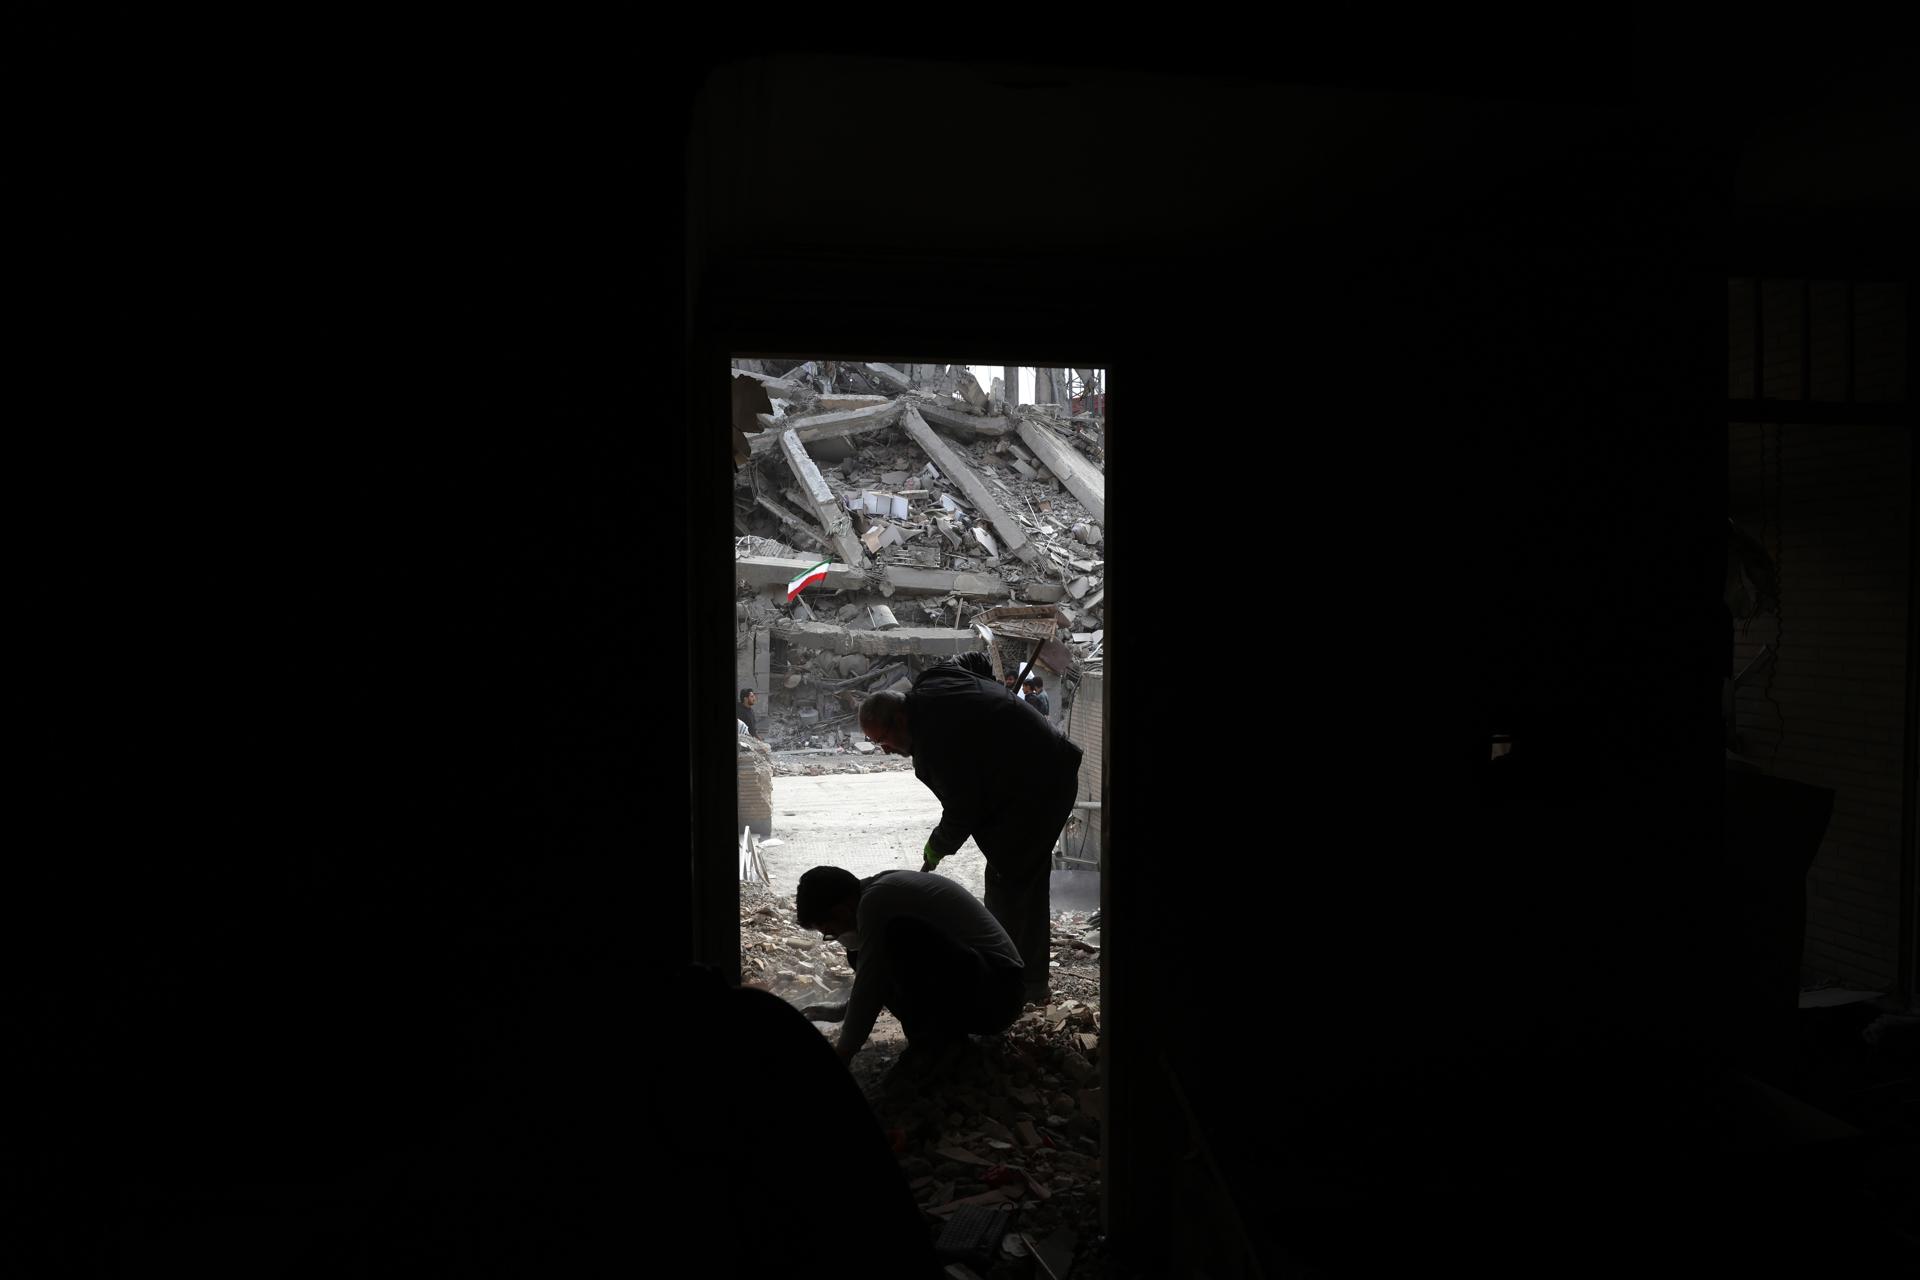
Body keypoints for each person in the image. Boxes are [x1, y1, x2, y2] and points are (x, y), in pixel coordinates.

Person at [858, 664, 1083, 1005]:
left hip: (1043, 783)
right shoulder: (932, 680)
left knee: (1018, 883)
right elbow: (975, 659)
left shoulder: (937, 743)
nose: (884, 749)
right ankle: (1001, 965)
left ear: (900, 720)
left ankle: (1029, 985)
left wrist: (935, 848)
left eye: (881, 740)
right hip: (1022, 773)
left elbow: (962, 812)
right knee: (1002, 878)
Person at [795, 866, 1025, 1085]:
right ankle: (940, 1040)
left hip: (1000, 994)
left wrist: (843, 1054)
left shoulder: (877, 901)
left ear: (841, 910)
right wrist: (842, 1011)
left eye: (830, 931)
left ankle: (935, 1046)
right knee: (859, 953)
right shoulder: (877, 892)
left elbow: (872, 983)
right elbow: (872, 973)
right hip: (985, 985)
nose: (835, 936)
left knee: (898, 937)